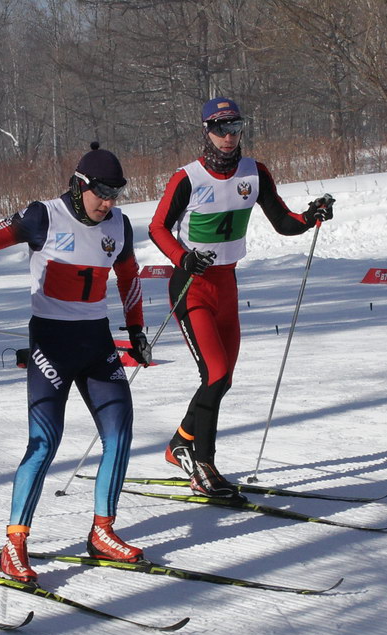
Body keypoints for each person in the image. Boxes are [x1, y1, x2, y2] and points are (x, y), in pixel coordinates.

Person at [0, 143, 150, 583]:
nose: (108, 203)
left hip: (96, 340)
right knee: (45, 443)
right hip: (51, 340)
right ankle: (13, 545)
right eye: (101, 193)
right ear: (80, 184)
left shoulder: (119, 225)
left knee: (120, 433)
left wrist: (137, 329)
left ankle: (102, 532)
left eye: (115, 194)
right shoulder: (44, 216)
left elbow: (128, 276)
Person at [148, 97, 332, 499]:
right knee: (213, 374)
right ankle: (203, 465)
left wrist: (311, 215)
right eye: (220, 128)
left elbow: (283, 222)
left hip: (227, 285)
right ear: (206, 131)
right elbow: (157, 228)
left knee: (223, 378)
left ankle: (180, 442)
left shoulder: (255, 172)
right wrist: (183, 257)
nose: (229, 137)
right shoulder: (188, 178)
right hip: (191, 284)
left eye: (235, 127)